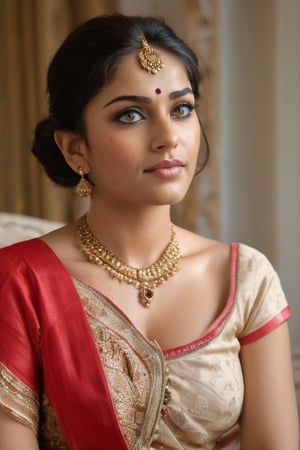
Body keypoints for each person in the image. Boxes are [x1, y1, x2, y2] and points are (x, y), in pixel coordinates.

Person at [0, 13, 298, 450]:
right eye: (131, 115)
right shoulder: (20, 280)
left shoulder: (245, 279)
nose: (167, 137)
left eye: (181, 109)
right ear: (74, 147)